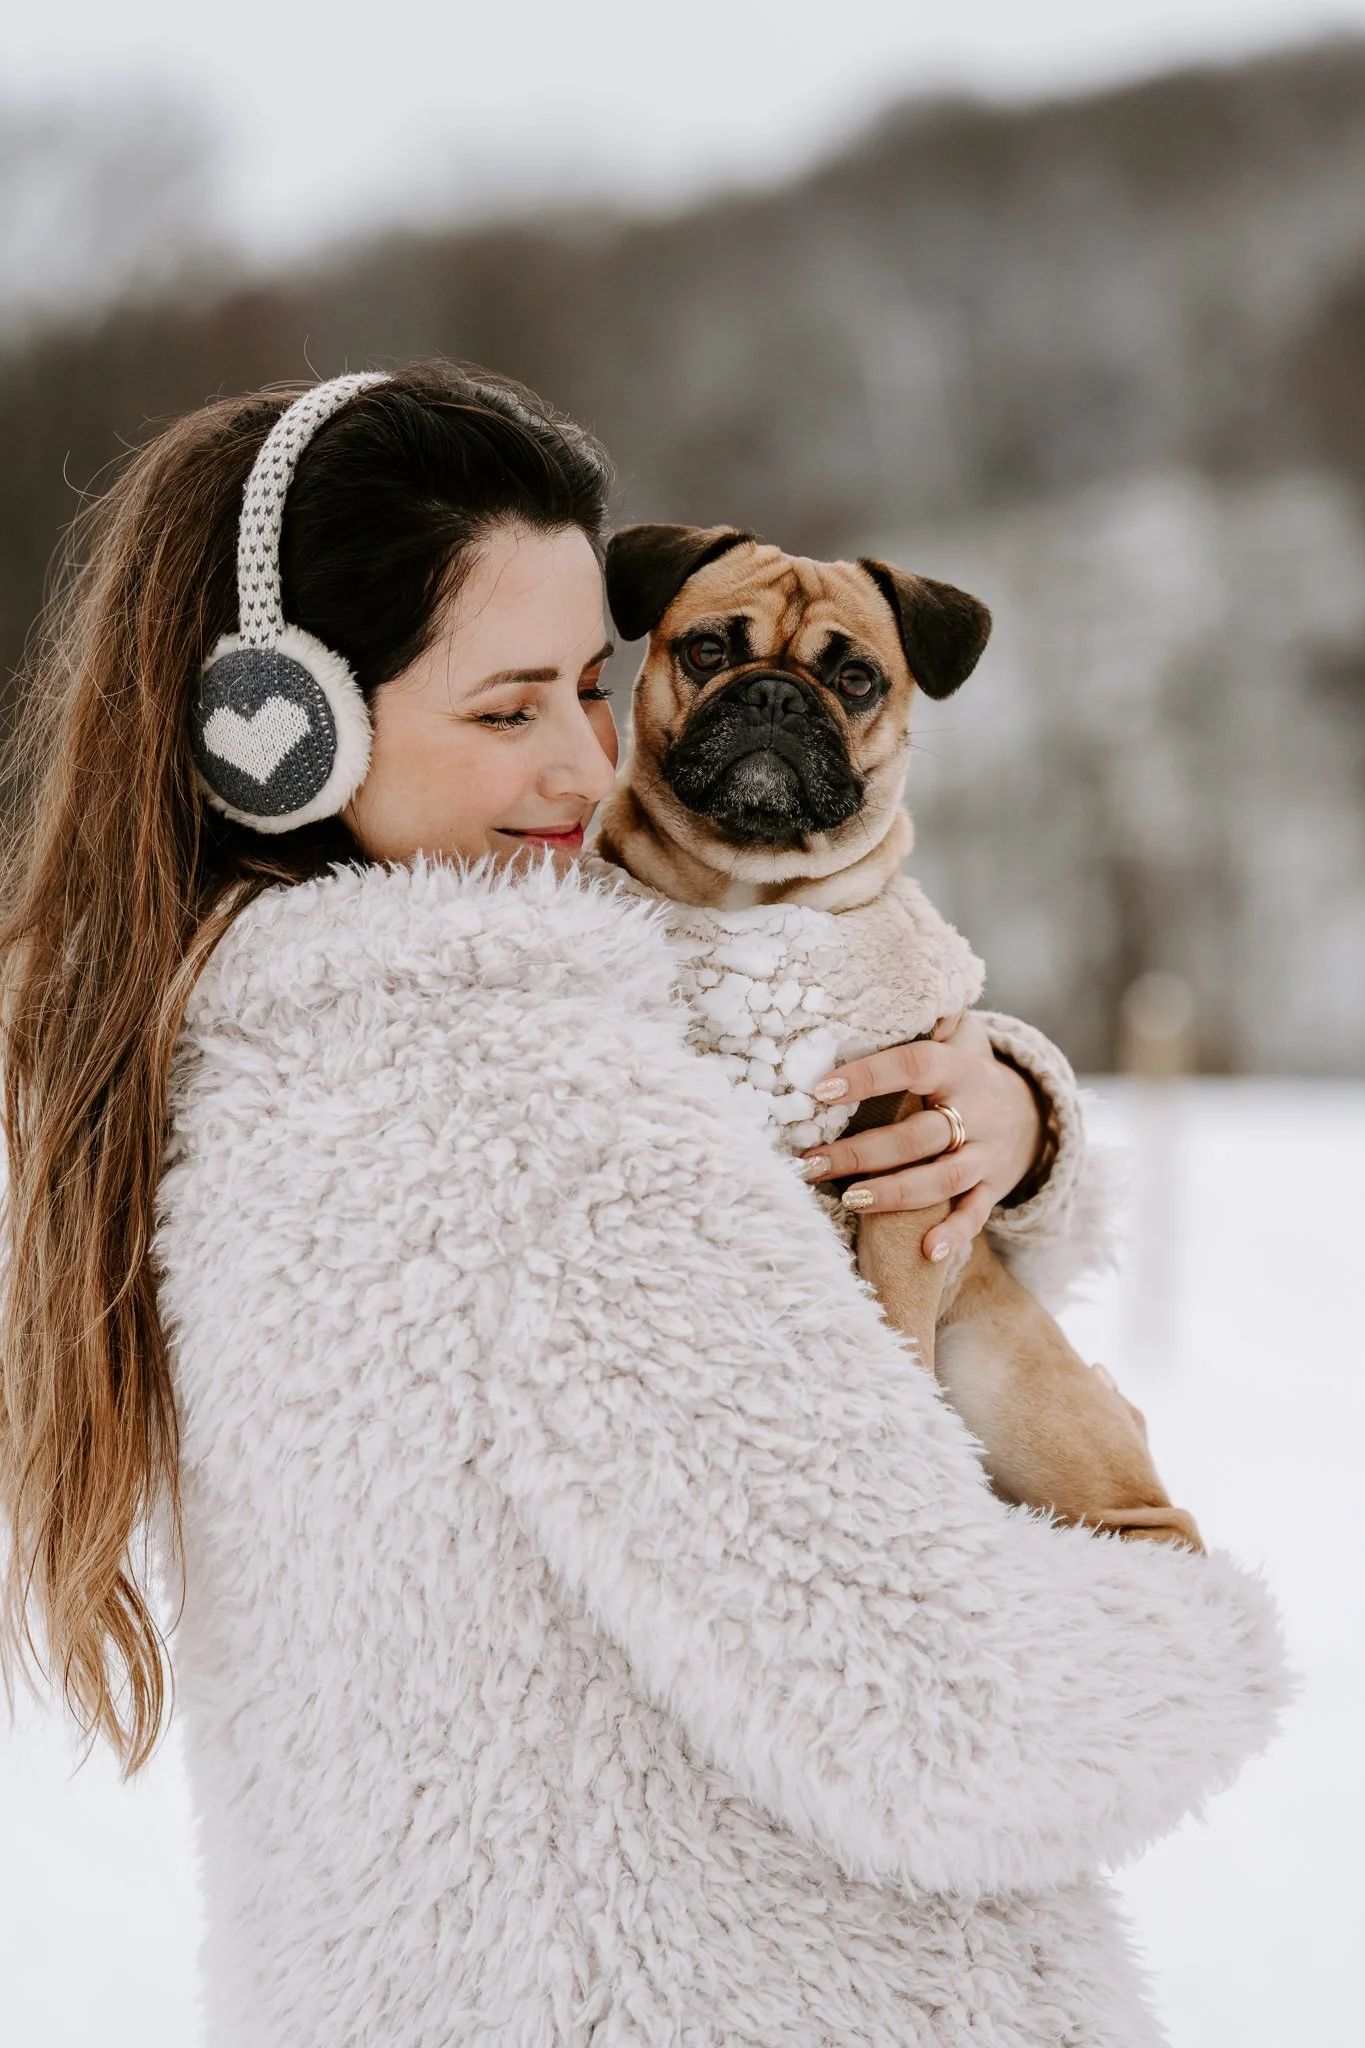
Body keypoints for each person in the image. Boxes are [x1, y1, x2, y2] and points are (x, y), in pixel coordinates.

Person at [0, 363, 1284, 2047]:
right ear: (282, 724)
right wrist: (1179, 1615)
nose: (588, 761)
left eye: (593, 688)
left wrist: (1016, 1116)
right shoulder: (545, 1120)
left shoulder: (195, 1050)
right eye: (507, 706)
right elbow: (951, 1717)